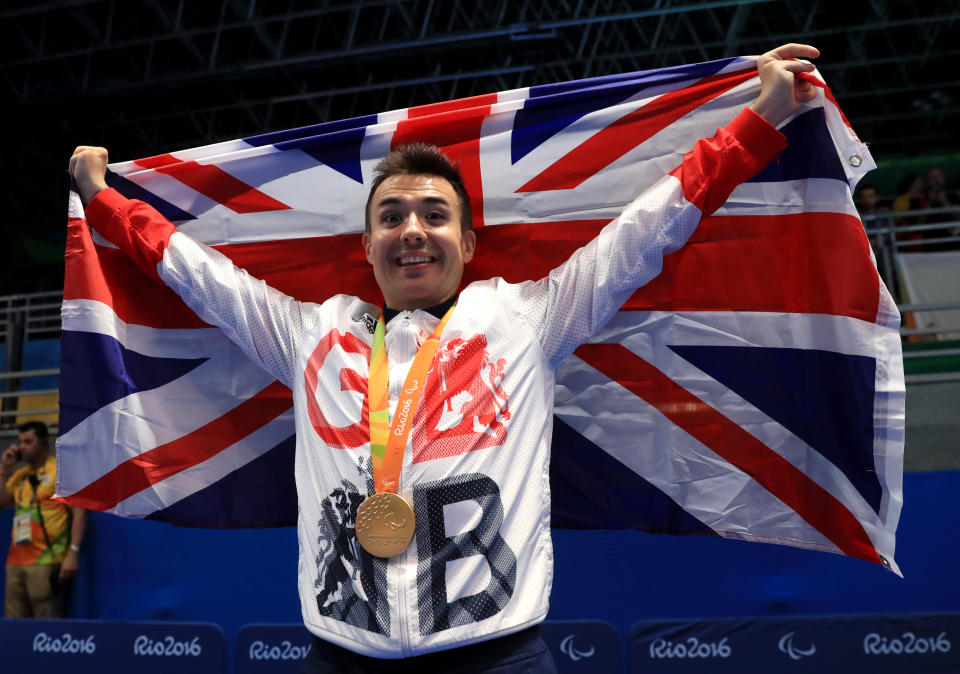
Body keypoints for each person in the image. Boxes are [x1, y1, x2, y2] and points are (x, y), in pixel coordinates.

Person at [68, 44, 819, 672]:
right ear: (367, 246)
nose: (412, 230)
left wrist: (760, 121)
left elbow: (647, 229)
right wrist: (103, 199)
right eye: (391, 216)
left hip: (496, 656)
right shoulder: (308, 334)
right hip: (340, 655)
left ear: (467, 242)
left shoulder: (527, 319)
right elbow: (194, 271)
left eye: (435, 214)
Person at [1, 421, 87, 618]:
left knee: (45, 625)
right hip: (15, 560)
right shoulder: (21, 475)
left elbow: (79, 512)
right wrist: (4, 469)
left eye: (28, 441)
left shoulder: (59, 472)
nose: (21, 446)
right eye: (20, 441)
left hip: (47, 561)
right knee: (14, 627)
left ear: (43, 443)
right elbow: (1, 502)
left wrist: (72, 553)